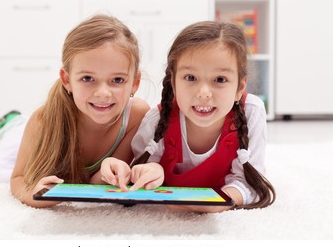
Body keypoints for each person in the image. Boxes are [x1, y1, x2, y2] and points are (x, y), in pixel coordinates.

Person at [101, 20, 276, 213]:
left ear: (239, 88)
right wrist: (151, 172)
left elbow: (251, 183)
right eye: (190, 78)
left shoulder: (251, 111)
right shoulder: (157, 120)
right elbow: (139, 171)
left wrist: (222, 201)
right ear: (173, 82)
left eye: (220, 79)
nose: (203, 93)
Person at [10, 14, 150, 208]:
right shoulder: (42, 120)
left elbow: (96, 182)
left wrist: (108, 173)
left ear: (135, 83)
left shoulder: (137, 115)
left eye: (117, 80)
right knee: (6, 140)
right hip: (25, 134)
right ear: (66, 80)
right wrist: (31, 195)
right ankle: (7, 121)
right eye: (87, 78)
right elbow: (18, 177)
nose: (103, 93)